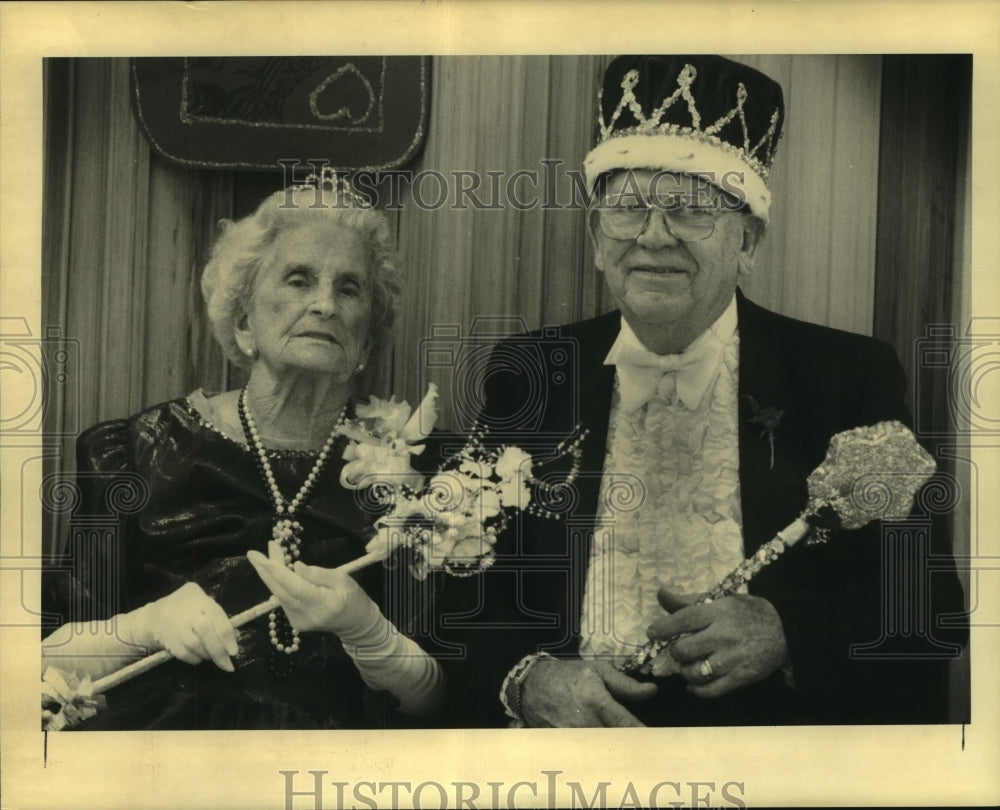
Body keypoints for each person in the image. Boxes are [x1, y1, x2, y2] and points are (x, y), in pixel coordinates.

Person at [440, 54, 967, 727]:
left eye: (691, 210)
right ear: (597, 238)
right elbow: (454, 593)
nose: (654, 237)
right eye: (628, 209)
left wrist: (787, 633)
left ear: (748, 239)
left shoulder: (845, 378)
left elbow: (929, 603)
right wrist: (527, 679)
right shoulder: (532, 371)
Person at [41, 175, 444, 729]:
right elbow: (43, 662)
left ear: (367, 339)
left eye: (349, 288)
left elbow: (446, 699)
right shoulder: (138, 453)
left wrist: (367, 629)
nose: (324, 304)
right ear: (244, 319)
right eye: (299, 280)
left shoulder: (422, 477)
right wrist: (148, 625)